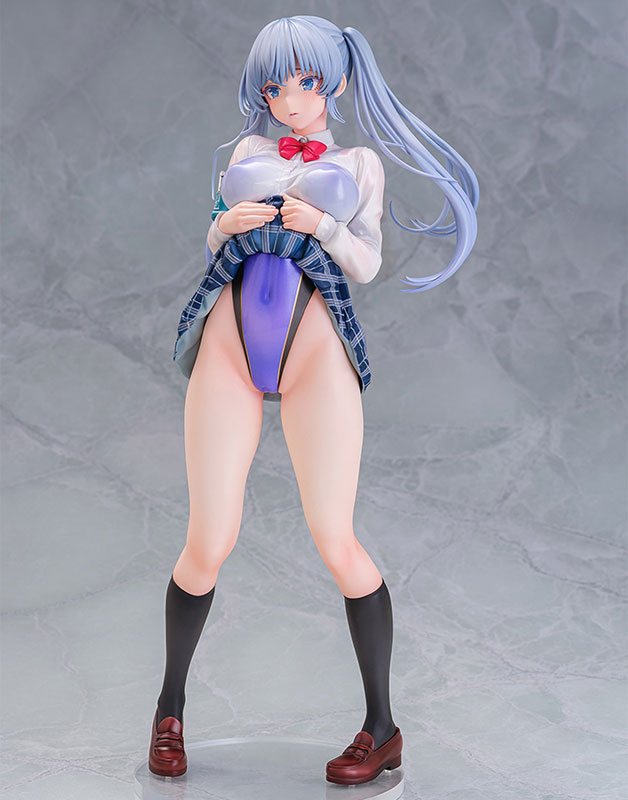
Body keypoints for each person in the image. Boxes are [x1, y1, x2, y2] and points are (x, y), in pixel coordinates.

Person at [148, 14, 479, 786]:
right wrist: (224, 225)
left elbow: (366, 262)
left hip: (316, 349)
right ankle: (169, 709)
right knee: (209, 538)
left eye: (301, 81)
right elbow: (213, 241)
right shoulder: (246, 154)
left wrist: (325, 223)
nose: (287, 99)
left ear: (332, 81)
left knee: (336, 538)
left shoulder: (359, 163)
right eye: (272, 85)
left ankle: (382, 728)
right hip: (229, 344)